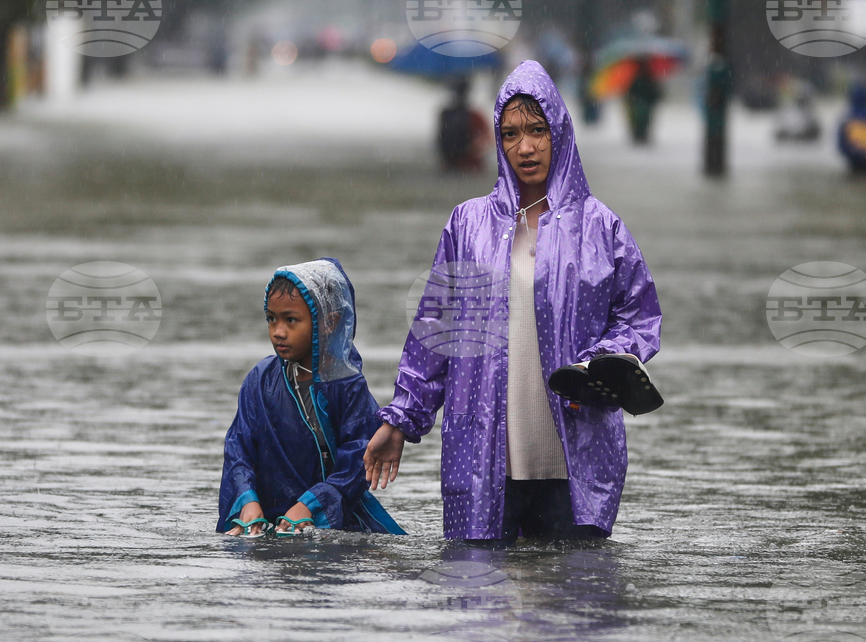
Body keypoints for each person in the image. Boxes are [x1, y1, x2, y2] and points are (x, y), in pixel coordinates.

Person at [364, 61, 662, 544]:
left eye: (537, 130)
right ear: (498, 142)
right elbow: (436, 334)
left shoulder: (601, 227)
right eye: (511, 133)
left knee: (575, 605)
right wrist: (400, 419)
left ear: (559, 131)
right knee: (479, 605)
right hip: (481, 457)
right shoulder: (467, 224)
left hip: (576, 459)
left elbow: (639, 316)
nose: (525, 147)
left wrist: (599, 363)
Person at [216, 258, 405, 537]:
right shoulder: (259, 379)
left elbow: (358, 459)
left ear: (329, 322)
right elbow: (238, 449)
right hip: (263, 520)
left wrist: (310, 505)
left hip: (329, 518)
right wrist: (247, 500)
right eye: (271, 319)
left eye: (291, 320)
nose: (278, 331)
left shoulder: (347, 385)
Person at [438, 76, 492, 172]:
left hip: (449, 165)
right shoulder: (475, 116)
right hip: (471, 166)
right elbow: (486, 141)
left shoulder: (445, 114)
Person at [625, 61, 663, 145]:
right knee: (644, 120)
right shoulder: (649, 76)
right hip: (645, 102)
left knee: (639, 120)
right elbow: (654, 91)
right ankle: (641, 135)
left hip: (639, 102)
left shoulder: (634, 76)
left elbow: (631, 92)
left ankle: (639, 135)